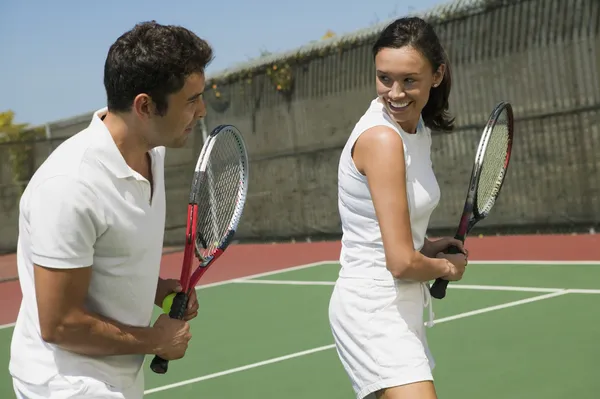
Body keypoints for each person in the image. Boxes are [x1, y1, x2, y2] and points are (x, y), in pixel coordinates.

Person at [9, 21, 213, 398]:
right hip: (65, 385)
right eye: (191, 99)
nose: (201, 110)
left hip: (115, 377)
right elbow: (61, 325)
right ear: (145, 106)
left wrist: (158, 292)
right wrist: (156, 339)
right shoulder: (69, 186)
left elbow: (104, 261)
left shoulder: (154, 152)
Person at [328, 16, 469, 399]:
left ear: (436, 75)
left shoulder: (416, 130)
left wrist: (427, 248)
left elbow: (393, 244)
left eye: (409, 80)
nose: (395, 92)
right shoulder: (382, 139)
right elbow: (400, 263)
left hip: (401, 303)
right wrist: (445, 268)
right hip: (372, 307)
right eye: (384, 78)